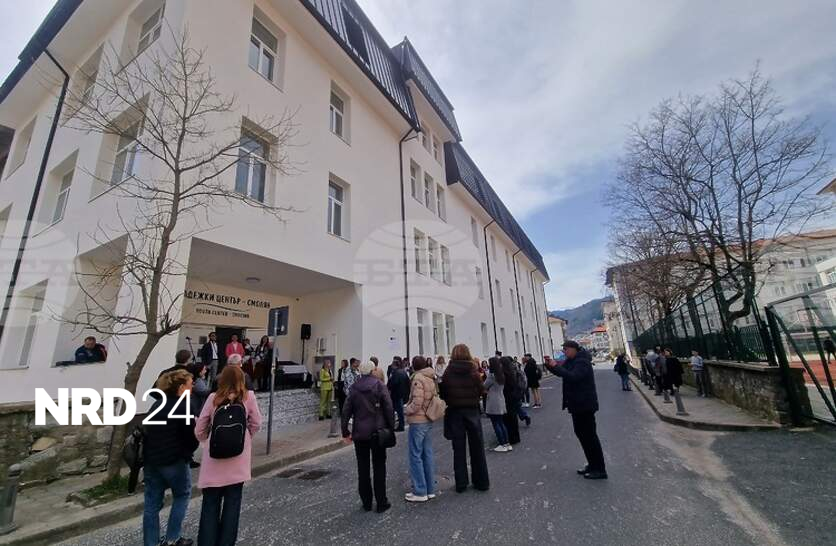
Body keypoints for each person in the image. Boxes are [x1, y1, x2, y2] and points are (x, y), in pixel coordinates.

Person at [195, 366, 261, 546]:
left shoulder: (213, 398)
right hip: (238, 460)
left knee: (210, 505)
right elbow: (256, 423)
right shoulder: (248, 397)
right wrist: (245, 438)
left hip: (214, 460)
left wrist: (207, 440)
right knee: (232, 505)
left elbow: (200, 429)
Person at [142, 369, 198, 546]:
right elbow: (191, 437)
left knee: (151, 504)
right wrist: (188, 452)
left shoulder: (157, 404)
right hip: (174, 459)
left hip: (152, 459)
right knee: (182, 495)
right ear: (181, 388)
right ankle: (173, 538)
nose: (192, 388)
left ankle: (151, 542)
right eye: (190, 385)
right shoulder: (184, 406)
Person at [544, 340, 607, 480]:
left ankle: (600, 469)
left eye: (566, 349)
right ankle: (592, 464)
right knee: (582, 435)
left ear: (574, 349)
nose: (564, 352)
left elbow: (573, 377)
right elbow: (562, 372)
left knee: (590, 437)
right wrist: (549, 365)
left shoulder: (582, 362)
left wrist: (556, 366)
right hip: (577, 405)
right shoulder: (571, 361)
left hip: (585, 405)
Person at [341, 361, 394, 513]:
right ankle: (381, 502)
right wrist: (390, 427)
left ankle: (366, 502)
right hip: (377, 432)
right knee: (379, 466)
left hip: (360, 433)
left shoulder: (354, 388)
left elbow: (346, 410)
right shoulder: (379, 386)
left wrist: (345, 431)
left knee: (362, 468)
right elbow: (388, 407)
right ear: (372, 371)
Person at [440, 344, 490, 493]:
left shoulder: (448, 371)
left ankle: (461, 483)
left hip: (455, 412)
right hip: (472, 410)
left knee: (458, 449)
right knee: (477, 447)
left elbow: (444, 393)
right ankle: (481, 481)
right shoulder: (473, 370)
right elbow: (482, 390)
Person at [403, 356, 438, 502]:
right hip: (428, 418)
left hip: (418, 420)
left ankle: (420, 491)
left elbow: (417, 402)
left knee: (415, 455)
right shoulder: (430, 377)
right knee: (427, 454)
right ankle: (430, 489)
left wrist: (406, 409)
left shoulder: (418, 378)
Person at [484, 357, 511, 452]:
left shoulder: (491, 376)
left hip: (493, 401)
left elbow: (484, 386)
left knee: (496, 424)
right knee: (501, 423)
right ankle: (507, 443)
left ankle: (502, 444)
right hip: (500, 398)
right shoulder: (501, 375)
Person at [500, 356, 523, 444]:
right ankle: (516, 437)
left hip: (507, 398)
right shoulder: (512, 372)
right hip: (513, 397)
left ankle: (511, 438)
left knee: (508, 419)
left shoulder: (504, 374)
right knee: (513, 418)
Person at [387, 360, 411, 432]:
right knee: (400, 411)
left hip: (396, 394)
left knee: (396, 411)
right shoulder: (403, 372)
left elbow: (393, 383)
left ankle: (399, 426)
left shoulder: (395, 373)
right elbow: (408, 382)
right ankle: (400, 425)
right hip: (402, 394)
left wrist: (388, 387)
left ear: (395, 365)